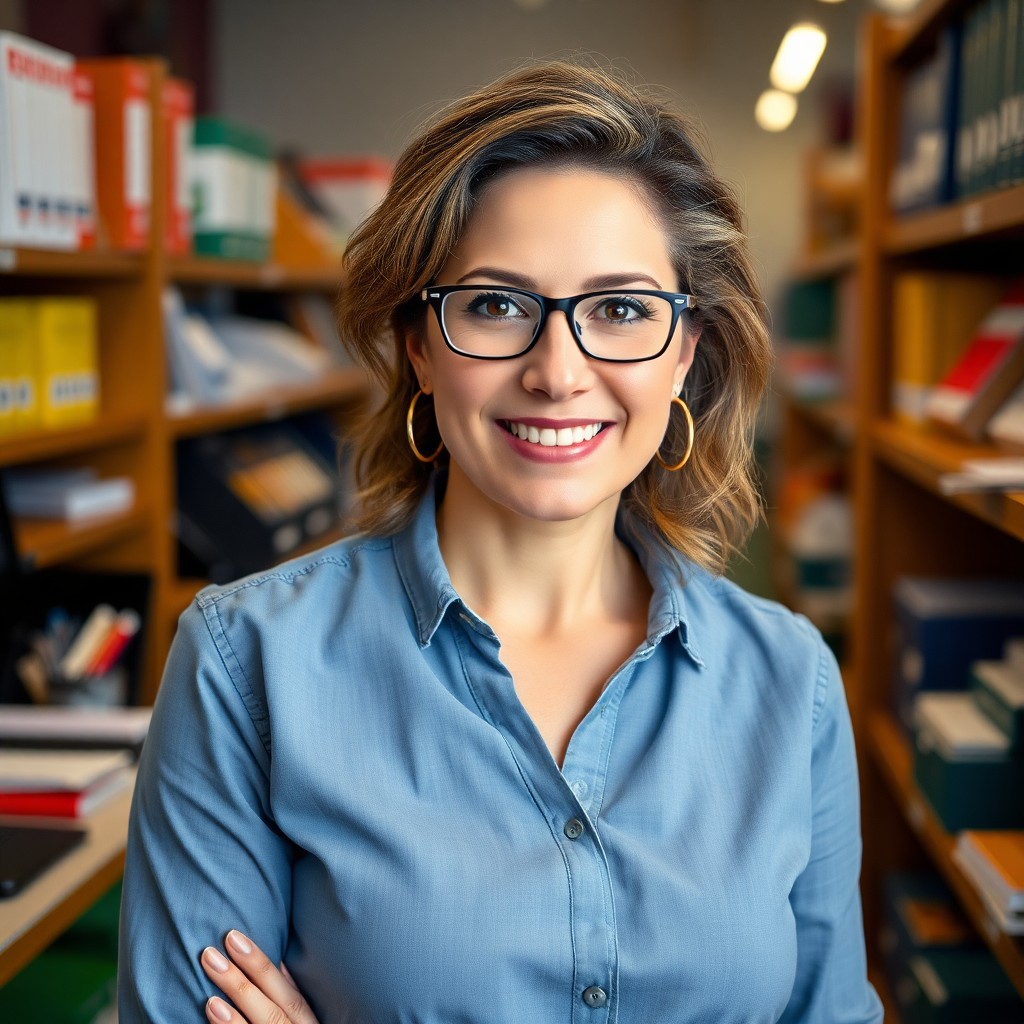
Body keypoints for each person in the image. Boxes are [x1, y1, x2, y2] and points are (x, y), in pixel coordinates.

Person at [118, 59, 883, 1024]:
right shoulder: (248, 663)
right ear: (420, 343)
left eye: (620, 310)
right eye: (495, 304)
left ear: (686, 349)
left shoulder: (789, 680)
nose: (558, 373)